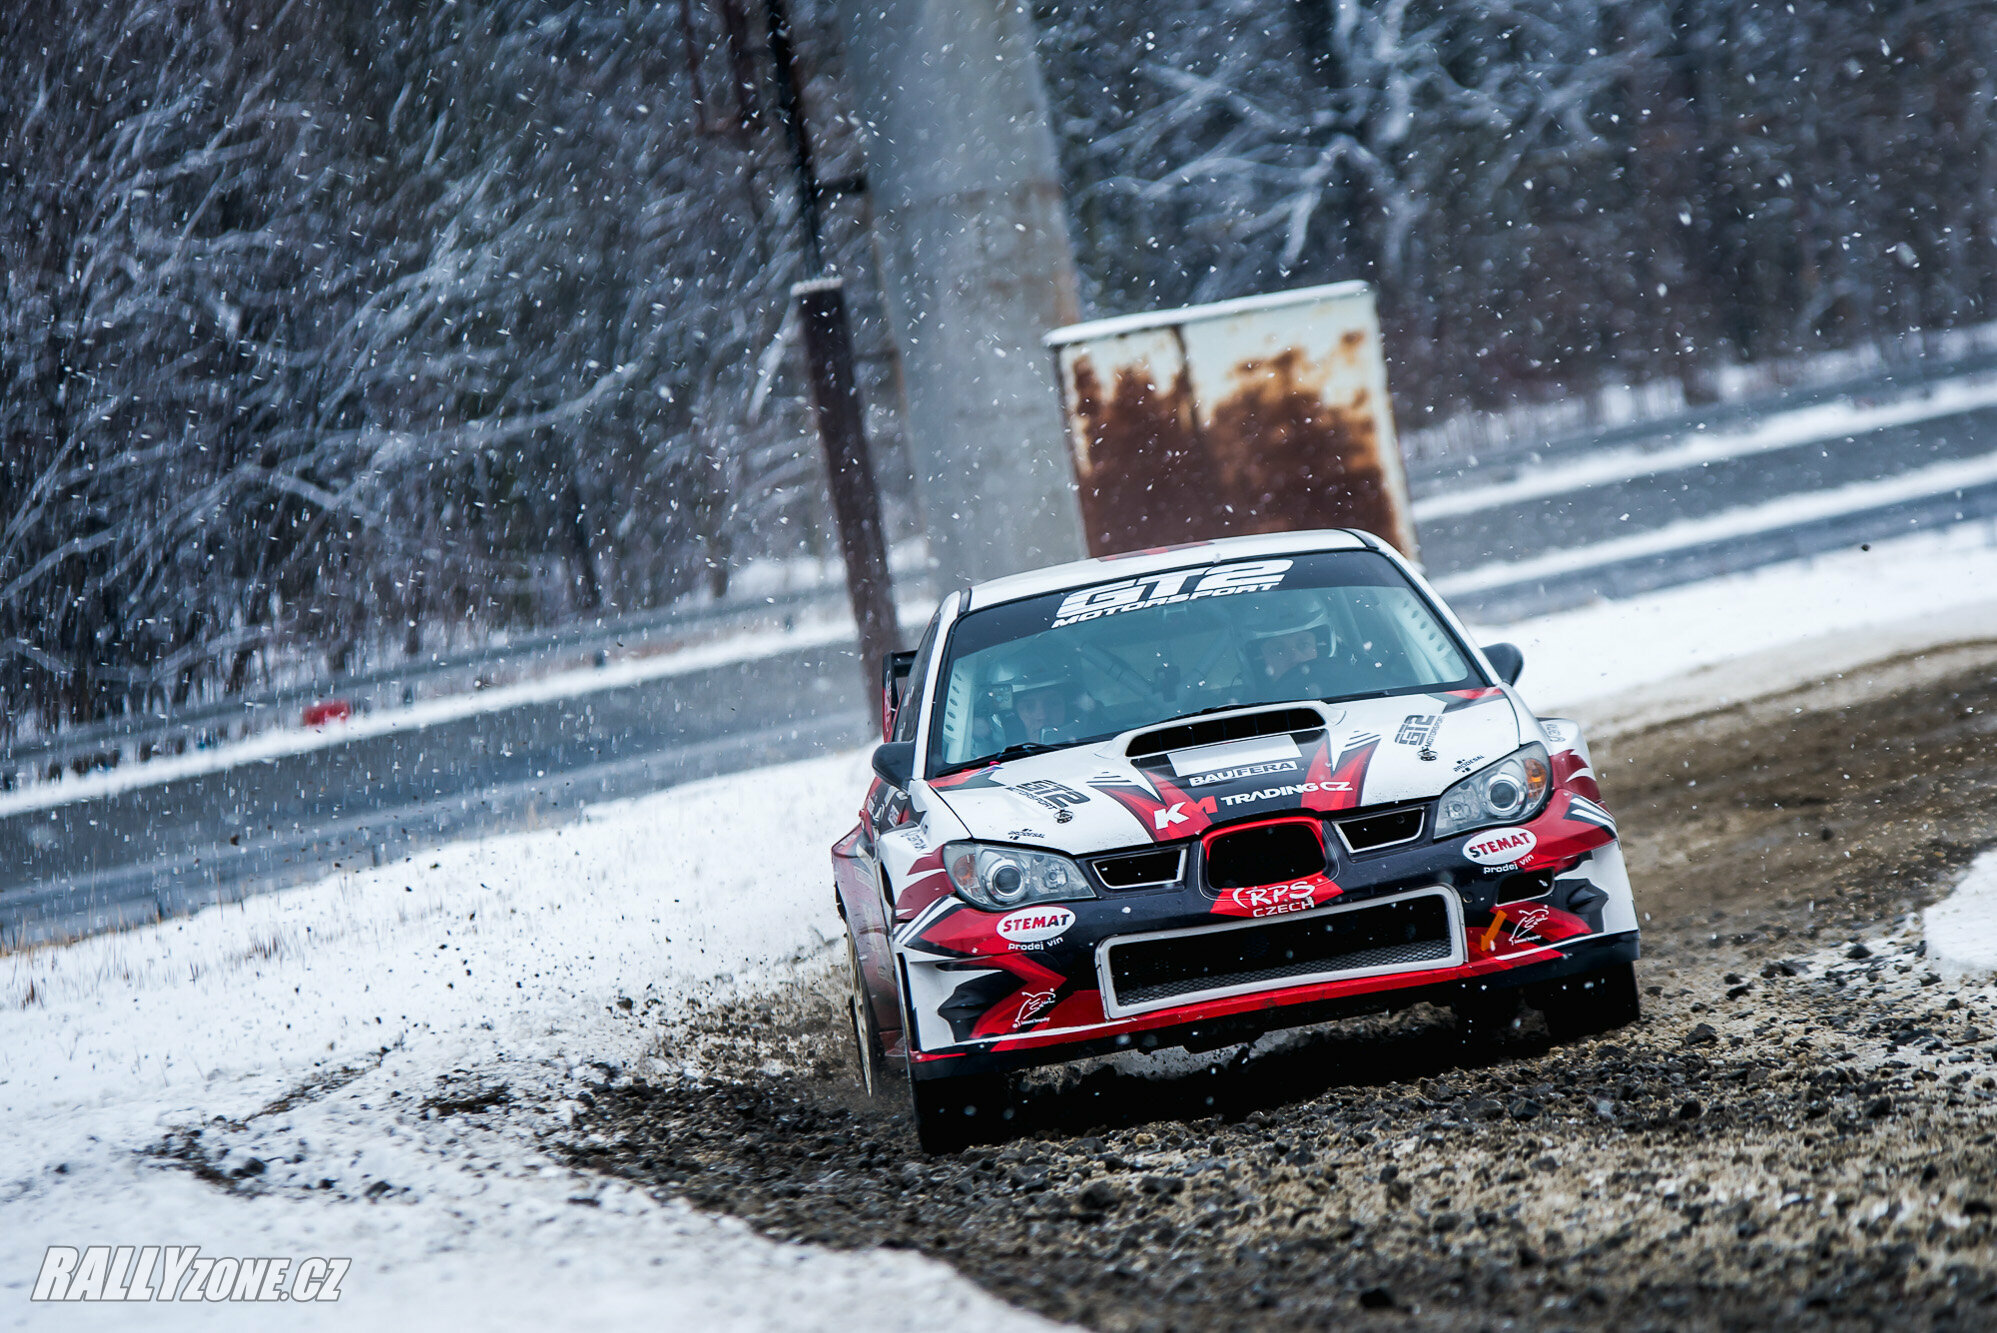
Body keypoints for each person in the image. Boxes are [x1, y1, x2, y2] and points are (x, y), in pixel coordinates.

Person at [1240, 599, 1340, 700]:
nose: (1295, 657)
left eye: (1304, 645)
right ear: (1260, 663)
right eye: (1279, 650)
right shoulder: (1245, 712)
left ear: (1321, 649)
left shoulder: (1351, 691)